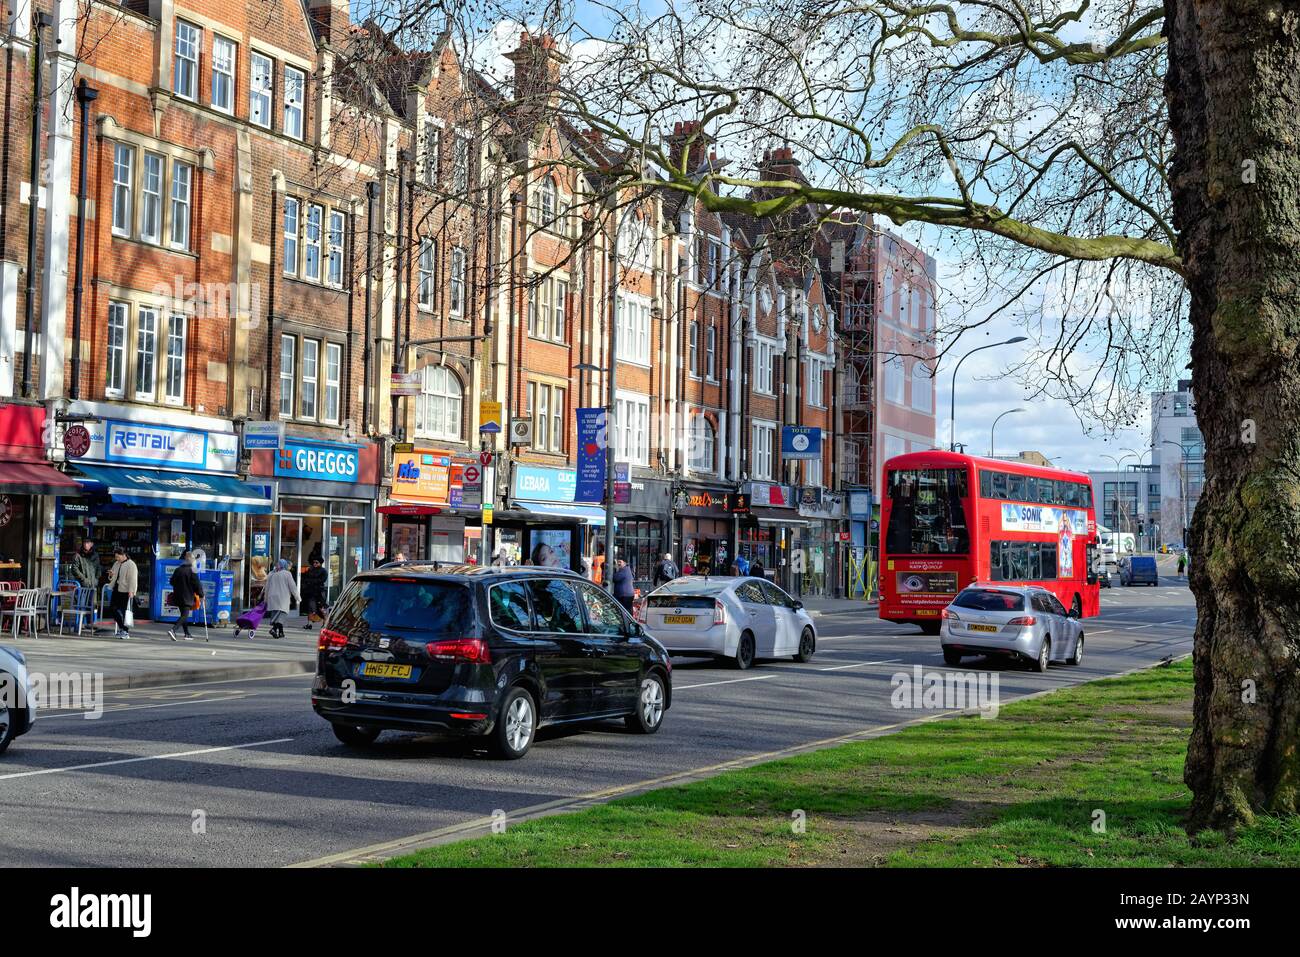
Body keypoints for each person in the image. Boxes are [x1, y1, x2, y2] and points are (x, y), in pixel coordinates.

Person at [167, 551, 202, 641]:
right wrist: (201, 595)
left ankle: (187, 633)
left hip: (178, 596)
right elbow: (197, 584)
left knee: (183, 614)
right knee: (184, 616)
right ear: (192, 561)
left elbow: (171, 581)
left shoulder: (178, 569)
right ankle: (173, 630)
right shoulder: (192, 571)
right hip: (187, 596)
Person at [262, 558, 301, 640]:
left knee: (276, 614)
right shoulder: (287, 574)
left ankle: (281, 632)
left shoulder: (271, 574)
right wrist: (298, 597)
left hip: (272, 597)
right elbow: (293, 587)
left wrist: (266, 599)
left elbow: (267, 588)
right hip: (283, 598)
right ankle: (273, 629)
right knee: (282, 615)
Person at [106, 545, 138, 639]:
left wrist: (132, 591)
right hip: (116, 589)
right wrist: (111, 575)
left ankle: (125, 631)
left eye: (118, 556)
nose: (116, 558)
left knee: (125, 612)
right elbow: (112, 577)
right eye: (115, 557)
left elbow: (133, 579)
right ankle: (122, 628)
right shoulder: (116, 564)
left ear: (123, 555)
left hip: (126, 590)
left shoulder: (131, 564)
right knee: (112, 609)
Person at [301, 556, 329, 630]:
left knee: (321, 608)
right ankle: (309, 624)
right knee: (310, 608)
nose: (315, 564)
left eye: (317, 562)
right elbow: (305, 578)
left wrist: (312, 581)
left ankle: (325, 623)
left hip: (319, 592)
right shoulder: (310, 570)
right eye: (314, 562)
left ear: (320, 563)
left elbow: (322, 580)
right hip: (311, 591)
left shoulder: (323, 571)